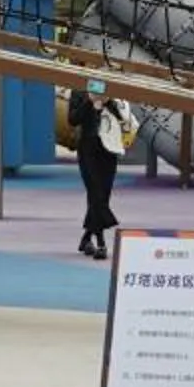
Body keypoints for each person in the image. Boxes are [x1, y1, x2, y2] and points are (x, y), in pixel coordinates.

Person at [69, 77, 128, 260]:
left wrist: (108, 102)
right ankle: (101, 243)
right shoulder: (79, 91)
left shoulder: (114, 91)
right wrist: (89, 100)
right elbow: (73, 119)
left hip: (109, 149)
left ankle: (87, 238)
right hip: (88, 148)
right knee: (96, 193)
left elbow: (123, 119)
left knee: (103, 194)